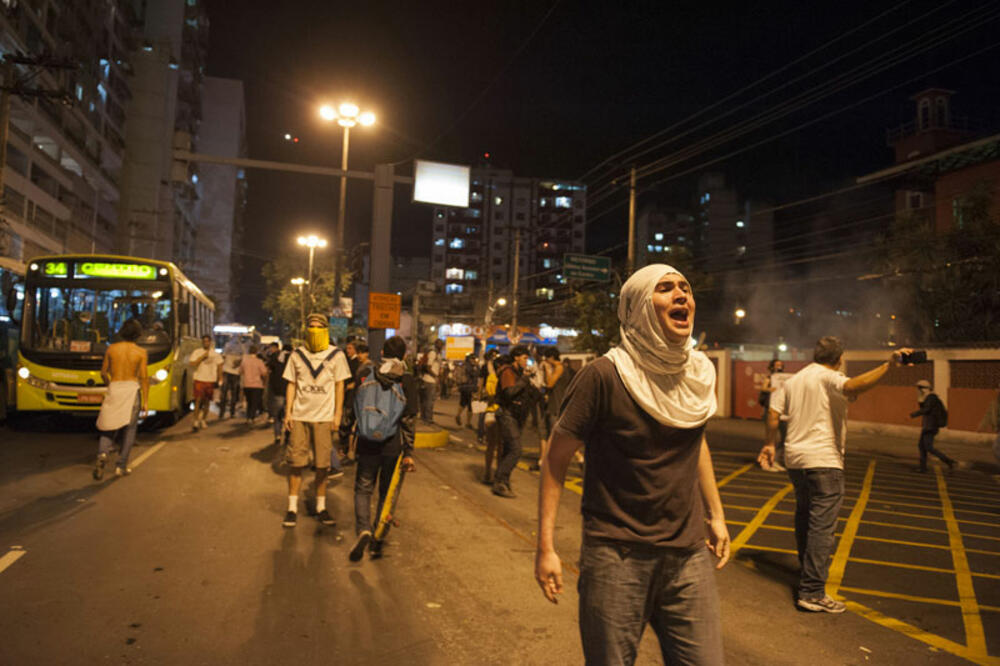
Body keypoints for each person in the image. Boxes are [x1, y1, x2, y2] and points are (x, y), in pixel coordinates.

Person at [535, 265, 729, 665]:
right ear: (639, 307)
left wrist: (717, 515)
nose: (682, 295)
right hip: (615, 557)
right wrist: (546, 548)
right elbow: (554, 461)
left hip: (689, 556)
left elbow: (696, 440)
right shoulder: (603, 376)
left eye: (685, 288)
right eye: (665, 288)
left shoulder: (696, 373)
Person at [758, 337, 910, 613]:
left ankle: (807, 573)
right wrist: (889, 365)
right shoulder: (831, 377)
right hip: (824, 460)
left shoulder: (793, 381)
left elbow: (773, 413)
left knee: (804, 517)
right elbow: (853, 385)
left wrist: (770, 444)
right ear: (839, 359)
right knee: (821, 527)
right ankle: (812, 591)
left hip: (795, 461)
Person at [349, 335, 419, 561]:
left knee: (363, 487)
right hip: (392, 445)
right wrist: (409, 453)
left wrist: (344, 439)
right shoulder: (407, 380)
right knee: (387, 493)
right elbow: (409, 419)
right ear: (404, 356)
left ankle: (364, 529)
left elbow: (353, 408)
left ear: (381, 354)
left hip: (367, 442)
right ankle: (378, 539)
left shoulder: (365, 373)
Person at [281, 313, 352, 528]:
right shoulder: (297, 355)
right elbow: (291, 384)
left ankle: (321, 507)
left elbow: (340, 385)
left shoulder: (336, 355)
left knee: (323, 465)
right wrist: (288, 413)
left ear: (325, 329)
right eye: (310, 326)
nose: (313, 329)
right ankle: (291, 508)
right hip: (300, 416)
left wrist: (337, 415)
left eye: (318, 326)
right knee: (296, 463)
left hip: (323, 418)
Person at [93, 319, 149, 479]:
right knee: (129, 430)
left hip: (115, 388)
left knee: (108, 427)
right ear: (138, 334)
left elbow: (103, 373)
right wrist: (145, 402)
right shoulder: (140, 352)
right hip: (132, 391)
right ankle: (121, 466)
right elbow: (144, 378)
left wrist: (110, 385)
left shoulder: (112, 349)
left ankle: (103, 454)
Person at [492, 345, 533, 498]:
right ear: (516, 357)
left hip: (517, 415)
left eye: (527, 358)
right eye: (524, 358)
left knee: (509, 450)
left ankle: (503, 482)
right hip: (507, 414)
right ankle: (500, 481)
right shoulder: (508, 372)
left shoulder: (520, 373)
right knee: (516, 450)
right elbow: (509, 392)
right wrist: (524, 380)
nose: (526, 361)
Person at [910, 379, 955, 472]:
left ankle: (949, 461)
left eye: (919, 388)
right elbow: (923, 407)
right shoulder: (928, 397)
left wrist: (913, 414)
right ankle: (923, 468)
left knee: (928, 447)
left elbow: (926, 409)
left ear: (923, 388)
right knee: (922, 446)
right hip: (928, 425)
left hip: (931, 426)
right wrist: (920, 398)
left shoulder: (931, 398)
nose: (917, 390)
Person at [759, 359, 791, 472]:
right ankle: (766, 462)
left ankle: (776, 459)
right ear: (772, 367)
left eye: (781, 365)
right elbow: (763, 388)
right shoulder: (770, 378)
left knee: (786, 436)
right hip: (770, 410)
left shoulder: (784, 378)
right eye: (777, 365)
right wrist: (770, 389)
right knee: (769, 438)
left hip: (781, 412)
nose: (779, 367)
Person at [188, 334, 222, 430]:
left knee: (207, 401)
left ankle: (203, 419)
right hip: (199, 379)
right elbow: (192, 363)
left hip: (210, 380)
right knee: (198, 400)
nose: (206, 343)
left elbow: (220, 365)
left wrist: (220, 378)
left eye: (207, 341)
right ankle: (195, 421)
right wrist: (202, 357)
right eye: (204, 341)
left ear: (210, 342)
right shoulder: (197, 352)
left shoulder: (215, 354)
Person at [267, 343, 292, 445]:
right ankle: (287, 436)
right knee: (289, 415)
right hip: (291, 392)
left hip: (278, 391)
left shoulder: (275, 357)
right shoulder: (294, 358)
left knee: (278, 415)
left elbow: (270, 372)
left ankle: (277, 435)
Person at [241, 344, 268, 424]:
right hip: (257, 385)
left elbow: (240, 371)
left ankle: (248, 417)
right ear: (256, 352)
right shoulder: (259, 362)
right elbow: (264, 373)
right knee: (255, 402)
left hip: (246, 384)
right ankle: (251, 417)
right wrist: (264, 383)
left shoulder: (244, 361)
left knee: (249, 401)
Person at [419, 338, 444, 423]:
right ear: (437, 344)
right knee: (429, 400)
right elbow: (428, 367)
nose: (442, 346)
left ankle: (425, 418)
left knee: (427, 400)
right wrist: (435, 376)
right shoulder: (433, 353)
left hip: (431, 380)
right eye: (440, 344)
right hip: (429, 380)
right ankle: (428, 419)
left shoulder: (438, 354)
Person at [219, 335, 243, 419]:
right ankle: (232, 413)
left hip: (226, 371)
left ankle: (221, 413)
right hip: (235, 373)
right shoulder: (241, 347)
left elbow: (222, 358)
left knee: (224, 393)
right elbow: (241, 360)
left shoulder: (227, 345)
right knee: (233, 394)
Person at [455, 353, 479, 427]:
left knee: (464, 403)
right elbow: (475, 375)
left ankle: (459, 415)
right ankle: (467, 422)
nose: (474, 360)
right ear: (469, 359)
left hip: (465, 387)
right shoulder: (470, 367)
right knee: (469, 405)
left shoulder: (465, 365)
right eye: (473, 359)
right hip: (469, 387)